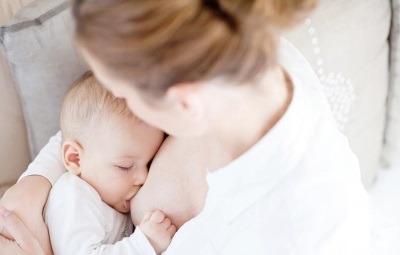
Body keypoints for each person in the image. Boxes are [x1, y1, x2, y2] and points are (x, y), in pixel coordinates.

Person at [0, 0, 371, 255]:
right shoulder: (237, 45)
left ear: (182, 103)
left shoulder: (266, 232)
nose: (117, 97)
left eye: (124, 92)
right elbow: (97, 123)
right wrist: (37, 183)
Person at [44, 71, 175, 255]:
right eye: (125, 167)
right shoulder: (74, 197)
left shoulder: (109, 197)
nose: (144, 177)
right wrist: (143, 245)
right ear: (75, 158)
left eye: (149, 163)